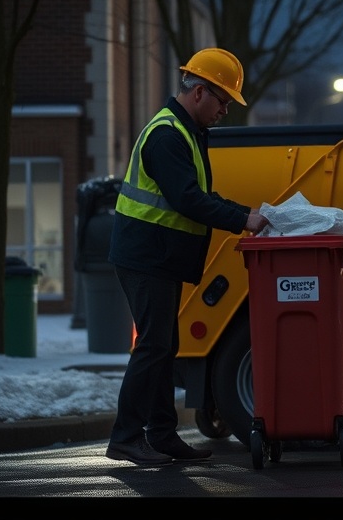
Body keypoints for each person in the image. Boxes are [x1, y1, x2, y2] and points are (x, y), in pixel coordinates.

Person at [105, 47, 269, 467]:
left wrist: (241, 213)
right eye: (223, 100)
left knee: (163, 344)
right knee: (154, 346)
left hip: (154, 255)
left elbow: (196, 196)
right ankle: (126, 437)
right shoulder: (167, 136)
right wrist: (242, 219)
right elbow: (188, 201)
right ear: (199, 92)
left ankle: (160, 435)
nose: (225, 110)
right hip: (146, 255)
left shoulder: (185, 131)